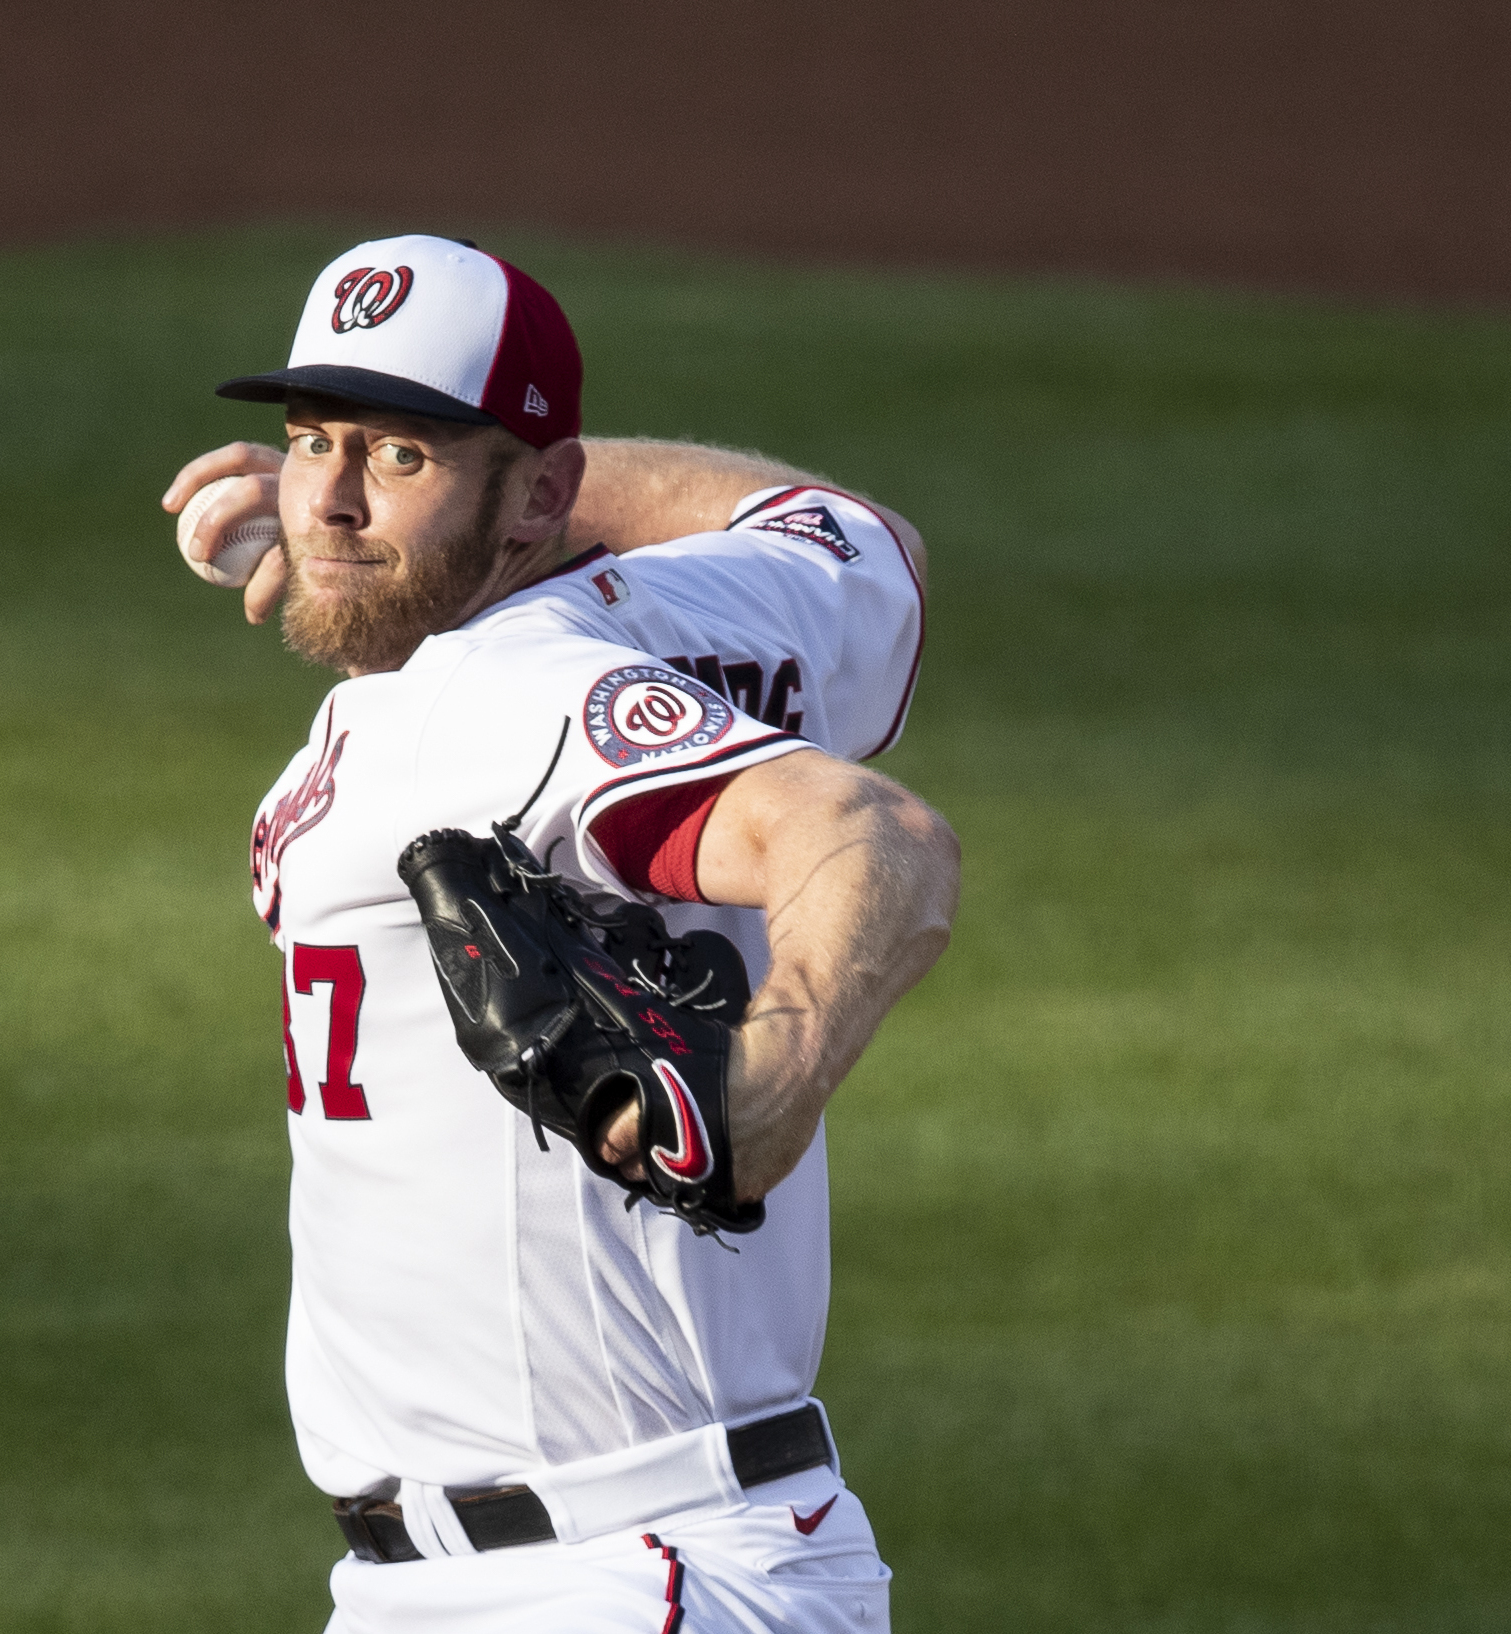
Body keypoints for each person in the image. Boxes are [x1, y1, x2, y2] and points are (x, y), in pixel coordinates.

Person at [164, 234, 960, 1633]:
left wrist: (767, 1082)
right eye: (310, 444)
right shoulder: (692, 611)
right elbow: (854, 544)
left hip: (606, 1573)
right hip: (579, 1564)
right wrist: (438, 500)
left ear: (541, 495)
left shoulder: (502, 705)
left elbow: (874, 837)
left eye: (402, 457)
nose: (332, 501)